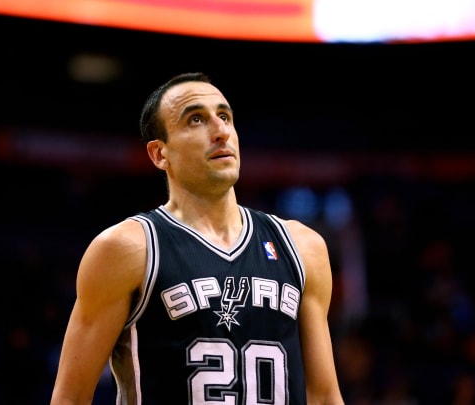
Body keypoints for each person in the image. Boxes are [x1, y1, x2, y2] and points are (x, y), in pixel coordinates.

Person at [50, 72, 345, 405]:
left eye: (224, 116)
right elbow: (70, 398)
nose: (220, 132)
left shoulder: (301, 246)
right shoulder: (127, 248)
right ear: (160, 154)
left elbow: (323, 396)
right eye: (195, 120)